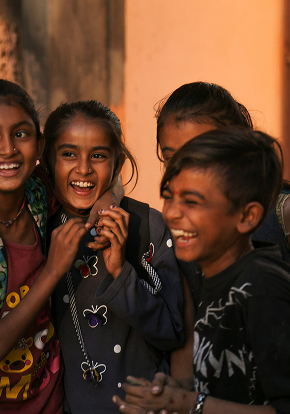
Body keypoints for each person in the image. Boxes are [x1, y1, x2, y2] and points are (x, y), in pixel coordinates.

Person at [0, 79, 122, 414]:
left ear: (40, 145)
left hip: (50, 399)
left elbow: (100, 172)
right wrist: (53, 270)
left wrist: (107, 199)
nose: (8, 149)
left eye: (20, 134)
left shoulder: (37, 192)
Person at [113, 127, 290, 414]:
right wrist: (176, 391)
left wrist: (188, 404)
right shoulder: (216, 278)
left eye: (192, 202)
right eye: (169, 197)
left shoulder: (261, 286)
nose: (172, 213)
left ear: (247, 216)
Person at [43, 100, 184, 414]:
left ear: (117, 161)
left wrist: (121, 271)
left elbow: (172, 333)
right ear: (48, 159)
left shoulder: (148, 226)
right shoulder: (39, 231)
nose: (83, 168)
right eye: (68, 154)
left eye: (98, 155)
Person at [154, 81, 290, 382]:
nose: (182, 169)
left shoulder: (281, 212)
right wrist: (173, 397)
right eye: (171, 157)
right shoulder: (184, 237)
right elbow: (189, 343)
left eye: (199, 155)